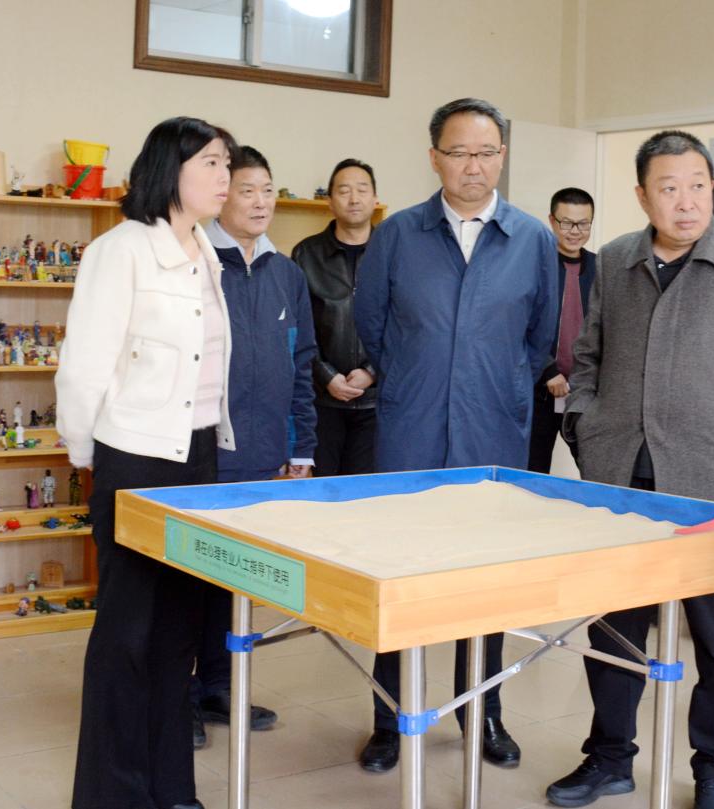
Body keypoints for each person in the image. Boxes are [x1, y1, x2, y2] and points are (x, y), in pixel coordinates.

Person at [548, 130, 714, 809]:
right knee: (615, 628)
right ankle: (609, 757)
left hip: (709, 482)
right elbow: (589, 355)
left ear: (711, 188)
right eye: (669, 188)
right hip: (621, 475)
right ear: (642, 195)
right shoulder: (618, 258)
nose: (686, 202)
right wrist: (585, 426)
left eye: (697, 186)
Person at [352, 97, 559, 773]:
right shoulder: (397, 235)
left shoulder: (531, 239)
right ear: (434, 156)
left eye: (487, 152)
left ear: (503, 156)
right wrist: (420, 378)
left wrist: (491, 382)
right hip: (409, 432)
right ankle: (388, 717)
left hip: (492, 435)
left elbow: (539, 338)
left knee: (486, 582)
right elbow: (372, 323)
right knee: (396, 578)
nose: (474, 166)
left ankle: (483, 711)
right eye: (460, 152)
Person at [58, 116, 237, 809]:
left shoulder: (206, 250)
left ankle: (171, 789)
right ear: (171, 168)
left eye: (227, 164)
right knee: (127, 634)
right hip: (133, 460)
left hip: (196, 456)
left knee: (177, 634)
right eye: (211, 163)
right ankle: (112, 795)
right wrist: (89, 459)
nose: (225, 178)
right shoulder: (122, 249)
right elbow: (84, 368)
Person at [191, 144, 319, 748]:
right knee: (188, 583)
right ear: (222, 195)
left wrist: (302, 450)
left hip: (265, 456)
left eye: (268, 190)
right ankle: (177, 698)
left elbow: (301, 364)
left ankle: (217, 688)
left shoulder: (286, 273)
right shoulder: (195, 262)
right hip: (202, 456)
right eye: (247, 190)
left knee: (234, 581)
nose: (261, 201)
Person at [292, 158, 380, 476]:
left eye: (362, 190)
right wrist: (326, 376)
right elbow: (298, 330)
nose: (354, 198)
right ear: (329, 201)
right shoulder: (306, 254)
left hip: (377, 402)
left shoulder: (393, 252)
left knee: (368, 494)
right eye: (344, 191)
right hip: (322, 401)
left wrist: (372, 372)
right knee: (321, 491)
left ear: (375, 199)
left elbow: (406, 325)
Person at [528, 187, 597, 474]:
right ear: (552, 221)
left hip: (585, 394)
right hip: (538, 392)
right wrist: (548, 370)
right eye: (567, 223)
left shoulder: (602, 269)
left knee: (596, 470)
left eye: (583, 223)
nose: (575, 232)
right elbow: (519, 325)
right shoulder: (533, 265)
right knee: (531, 473)